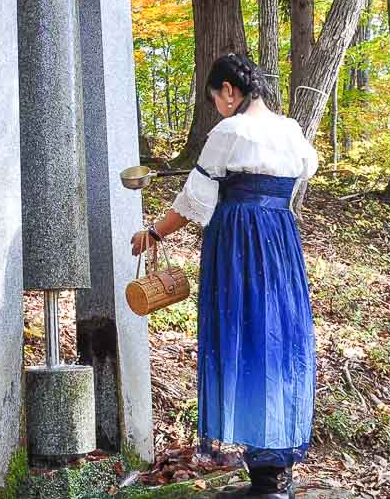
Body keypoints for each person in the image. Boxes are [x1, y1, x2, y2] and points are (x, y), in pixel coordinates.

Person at [131, 53, 319, 499]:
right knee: (276, 340)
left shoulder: (230, 131)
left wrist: (153, 232)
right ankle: (274, 475)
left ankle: (266, 483)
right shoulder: (291, 131)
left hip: (238, 244)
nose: (216, 105)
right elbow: (300, 174)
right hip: (280, 242)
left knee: (244, 337)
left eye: (215, 97)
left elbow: (194, 200)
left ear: (230, 91)